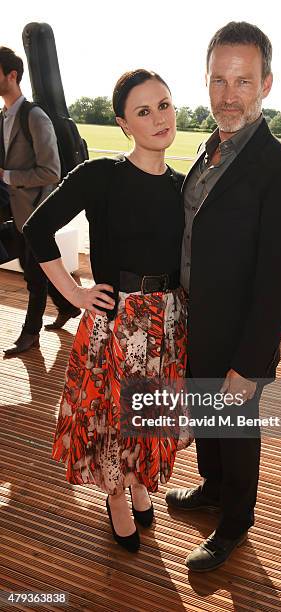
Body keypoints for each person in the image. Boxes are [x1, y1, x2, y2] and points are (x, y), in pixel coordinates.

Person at [23, 69, 192, 552]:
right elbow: (36, 230)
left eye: (164, 104)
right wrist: (74, 293)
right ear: (124, 124)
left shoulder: (184, 187)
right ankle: (116, 494)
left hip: (167, 322)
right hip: (118, 322)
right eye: (144, 111)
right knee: (116, 416)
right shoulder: (101, 176)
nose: (159, 118)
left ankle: (140, 482)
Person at [165, 21, 281, 571]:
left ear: (267, 84)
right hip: (196, 320)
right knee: (208, 416)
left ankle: (234, 522)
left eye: (243, 82)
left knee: (235, 423)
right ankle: (210, 487)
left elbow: (280, 277)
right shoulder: (207, 154)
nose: (229, 96)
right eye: (218, 81)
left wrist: (249, 364)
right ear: (206, 83)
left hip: (242, 333)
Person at [0, 47, 80, 357]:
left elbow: (51, 170)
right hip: (14, 212)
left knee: (34, 275)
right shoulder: (3, 118)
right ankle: (69, 307)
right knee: (32, 266)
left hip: (35, 212)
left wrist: (8, 176)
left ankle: (29, 335)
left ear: (12, 75)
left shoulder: (34, 116)